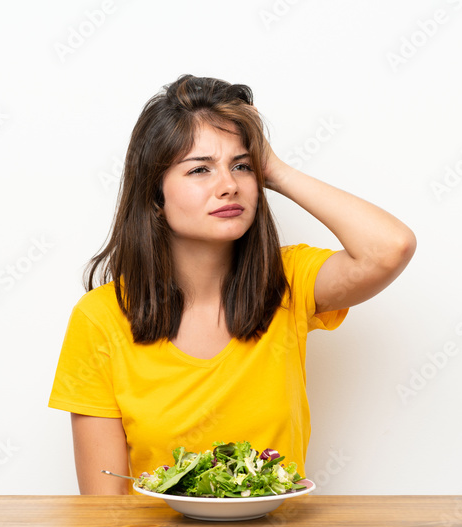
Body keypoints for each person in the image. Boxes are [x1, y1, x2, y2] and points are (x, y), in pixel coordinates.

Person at [48, 74, 416, 494]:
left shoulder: (288, 282)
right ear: (155, 196)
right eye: (200, 169)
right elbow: (105, 510)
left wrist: (274, 168)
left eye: (241, 166)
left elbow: (391, 247)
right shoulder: (100, 318)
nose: (229, 186)